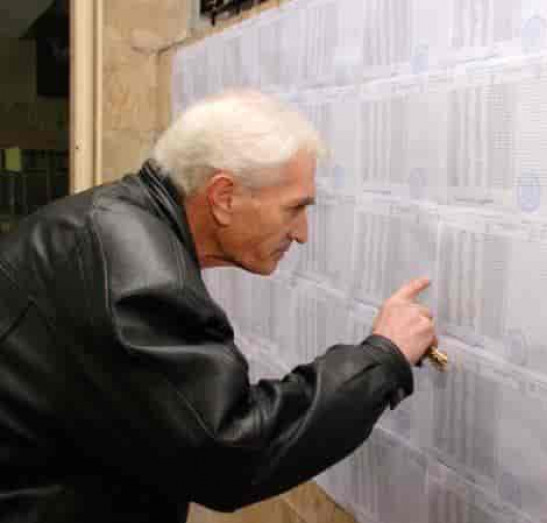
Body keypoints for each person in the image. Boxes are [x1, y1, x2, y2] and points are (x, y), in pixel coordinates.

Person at [0, 90, 437, 523]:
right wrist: (383, 358)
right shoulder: (140, 277)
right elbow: (232, 452)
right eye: (294, 208)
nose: (302, 233)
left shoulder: (115, 219)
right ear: (224, 197)